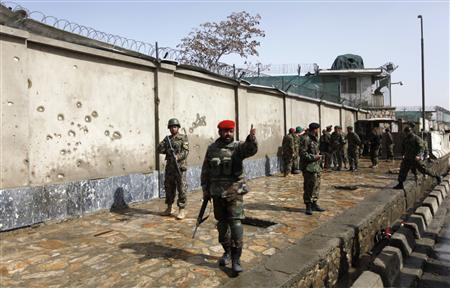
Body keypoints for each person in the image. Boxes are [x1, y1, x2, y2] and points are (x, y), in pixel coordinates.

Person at [201, 120, 257, 274]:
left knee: (236, 224)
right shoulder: (212, 148)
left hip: (234, 192)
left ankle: (236, 259)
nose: (228, 134)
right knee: (221, 225)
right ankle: (227, 252)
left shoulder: (238, 147)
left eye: (230, 131)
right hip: (217, 193)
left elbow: (250, 150)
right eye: (225, 131)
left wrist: (251, 139)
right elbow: (205, 170)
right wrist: (205, 189)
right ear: (219, 132)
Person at [157, 118, 189, 219]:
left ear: (178, 127)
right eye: (171, 127)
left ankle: (182, 210)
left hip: (180, 167)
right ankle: (169, 208)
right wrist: (165, 147)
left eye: (175, 127)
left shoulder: (183, 138)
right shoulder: (167, 139)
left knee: (181, 188)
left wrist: (177, 157)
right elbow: (159, 149)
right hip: (170, 168)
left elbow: (186, 151)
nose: (173, 129)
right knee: (169, 187)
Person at [300, 122, 325, 215]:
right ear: (314, 129)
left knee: (316, 185)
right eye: (317, 129)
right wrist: (315, 157)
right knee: (309, 186)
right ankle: (308, 205)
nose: (318, 131)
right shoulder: (306, 139)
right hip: (308, 167)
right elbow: (303, 153)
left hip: (316, 167)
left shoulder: (315, 138)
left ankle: (314, 203)